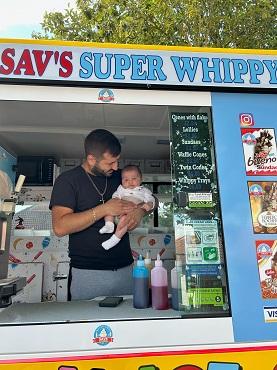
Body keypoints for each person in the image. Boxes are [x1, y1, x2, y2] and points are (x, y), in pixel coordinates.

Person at [50, 129, 156, 301]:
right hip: (87, 273)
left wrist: (141, 211)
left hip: (125, 268)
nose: (115, 167)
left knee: (128, 323)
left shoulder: (118, 177)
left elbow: (153, 199)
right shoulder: (67, 180)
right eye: (110, 163)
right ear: (91, 159)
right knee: (86, 325)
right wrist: (104, 209)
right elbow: (60, 227)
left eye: (117, 161)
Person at [100, 164, 155, 250]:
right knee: (107, 210)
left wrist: (148, 205)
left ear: (141, 179)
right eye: (126, 180)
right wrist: (115, 200)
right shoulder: (121, 189)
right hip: (118, 209)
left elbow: (152, 199)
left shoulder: (144, 191)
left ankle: (115, 239)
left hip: (130, 214)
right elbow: (116, 195)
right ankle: (109, 225)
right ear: (121, 181)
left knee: (123, 221)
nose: (130, 182)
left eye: (134, 179)